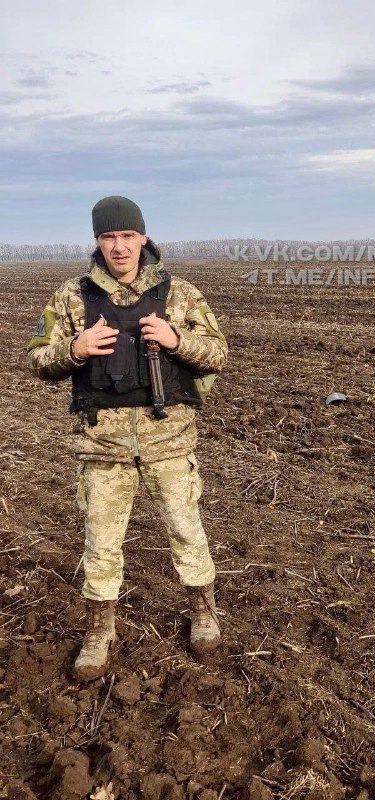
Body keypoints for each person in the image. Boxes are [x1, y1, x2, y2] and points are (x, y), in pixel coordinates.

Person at [27, 196, 229, 680]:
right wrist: (74, 349)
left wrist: (177, 340)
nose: (118, 246)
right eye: (108, 236)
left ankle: (203, 611)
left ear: (143, 237)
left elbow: (219, 353)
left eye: (126, 235)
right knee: (101, 543)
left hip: (170, 443)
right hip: (102, 448)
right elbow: (36, 359)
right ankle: (100, 629)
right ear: (97, 241)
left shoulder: (180, 294)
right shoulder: (71, 297)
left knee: (186, 531)